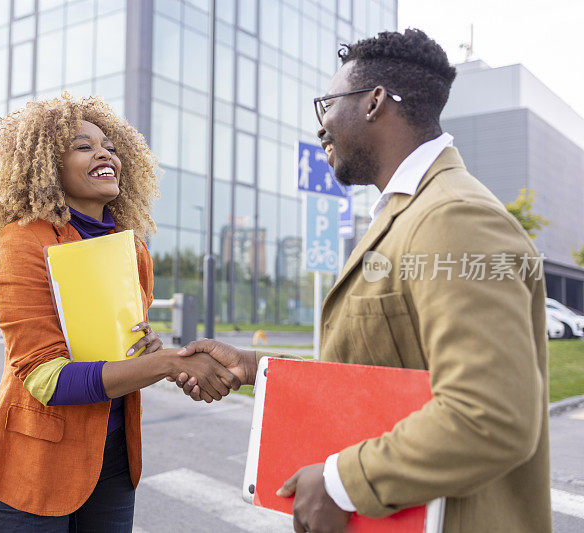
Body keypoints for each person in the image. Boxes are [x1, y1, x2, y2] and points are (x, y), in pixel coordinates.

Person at [175, 29, 551, 533]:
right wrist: (254, 368)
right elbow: (377, 368)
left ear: (374, 103)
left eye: (326, 105)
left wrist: (342, 481)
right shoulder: (407, 212)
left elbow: (491, 415)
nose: (321, 127)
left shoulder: (454, 216)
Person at [0, 93, 240, 532]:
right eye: (83, 145)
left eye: (110, 146)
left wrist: (150, 350)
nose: (104, 153)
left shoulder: (133, 249)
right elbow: (45, 379)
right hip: (33, 467)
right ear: (46, 165)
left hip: (112, 461)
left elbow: (121, 346)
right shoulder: (23, 243)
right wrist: (167, 363)